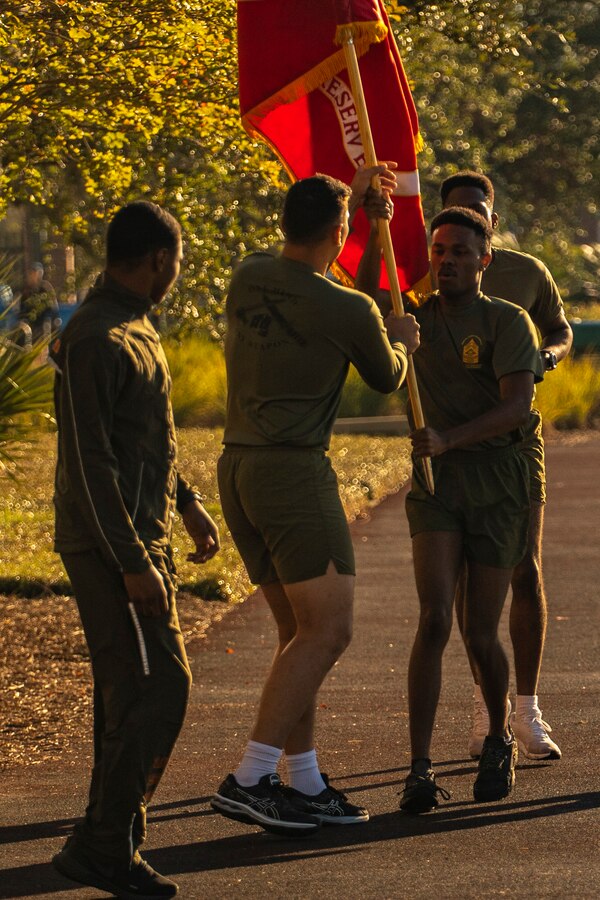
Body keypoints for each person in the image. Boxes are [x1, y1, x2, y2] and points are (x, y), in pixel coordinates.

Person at [211, 172, 420, 836]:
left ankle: (301, 783)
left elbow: (315, 283)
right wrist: (404, 340)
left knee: (296, 634)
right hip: (293, 475)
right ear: (340, 232)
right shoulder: (350, 308)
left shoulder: (247, 275)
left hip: (237, 467)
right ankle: (249, 777)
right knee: (330, 631)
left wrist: (352, 204)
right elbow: (387, 374)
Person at [50, 201, 220, 898]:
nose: (174, 275)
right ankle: (102, 843)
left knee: (132, 691)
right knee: (159, 688)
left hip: (144, 535)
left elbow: (143, 435)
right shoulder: (95, 334)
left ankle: (109, 839)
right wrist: (129, 562)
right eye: (175, 264)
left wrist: (186, 504)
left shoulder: (133, 325)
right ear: (158, 260)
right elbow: (91, 462)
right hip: (108, 546)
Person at [392, 207, 542, 812]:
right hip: (437, 484)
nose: (447, 261)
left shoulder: (508, 321)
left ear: (484, 259)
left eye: (459, 251)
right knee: (433, 619)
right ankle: (419, 768)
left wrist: (452, 437)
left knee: (480, 631)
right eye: (438, 251)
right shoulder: (413, 322)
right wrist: (367, 206)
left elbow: (517, 410)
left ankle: (500, 736)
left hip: (498, 482)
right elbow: (368, 293)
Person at [440, 172, 572, 761]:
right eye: (455, 212)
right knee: (470, 583)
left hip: (516, 442)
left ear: (493, 219)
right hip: (454, 446)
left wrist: (549, 354)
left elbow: (562, 330)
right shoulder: (434, 267)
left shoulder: (525, 273)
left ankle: (529, 706)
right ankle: (485, 706)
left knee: (524, 568)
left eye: (478, 211)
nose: (468, 218)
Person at [18, 261, 60, 342]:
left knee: (45, 329)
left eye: (35, 272)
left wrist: (52, 319)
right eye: (31, 273)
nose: (32, 275)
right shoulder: (27, 290)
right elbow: (22, 308)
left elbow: (53, 307)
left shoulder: (45, 287)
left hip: (44, 321)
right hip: (31, 324)